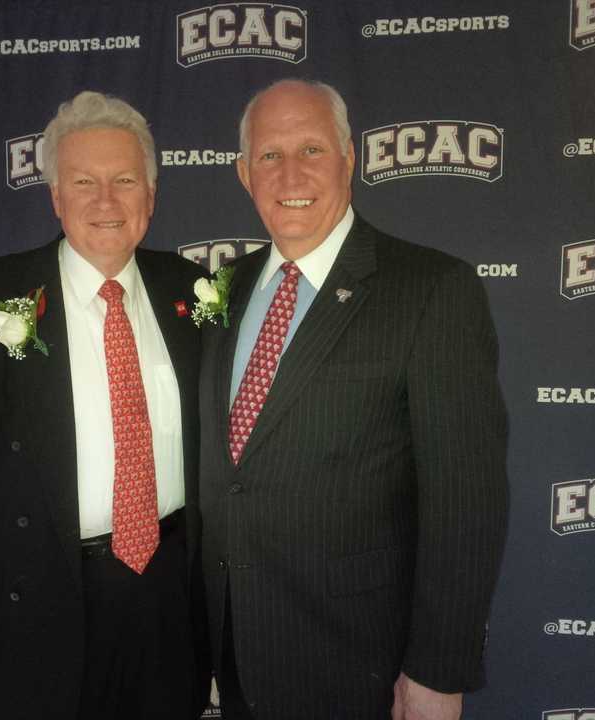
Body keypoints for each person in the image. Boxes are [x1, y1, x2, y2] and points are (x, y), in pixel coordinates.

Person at [198, 79, 508, 720]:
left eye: (311, 149)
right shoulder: (224, 290)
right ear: (242, 172)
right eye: (268, 155)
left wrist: (437, 670)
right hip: (233, 655)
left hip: (361, 663)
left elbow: (467, 501)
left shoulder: (431, 290)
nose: (290, 173)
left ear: (350, 157)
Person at [0, 91, 208, 720]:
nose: (106, 200)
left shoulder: (194, 291)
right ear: (55, 197)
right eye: (84, 181)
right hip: (34, 610)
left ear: (150, 196)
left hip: (168, 602)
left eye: (125, 180)